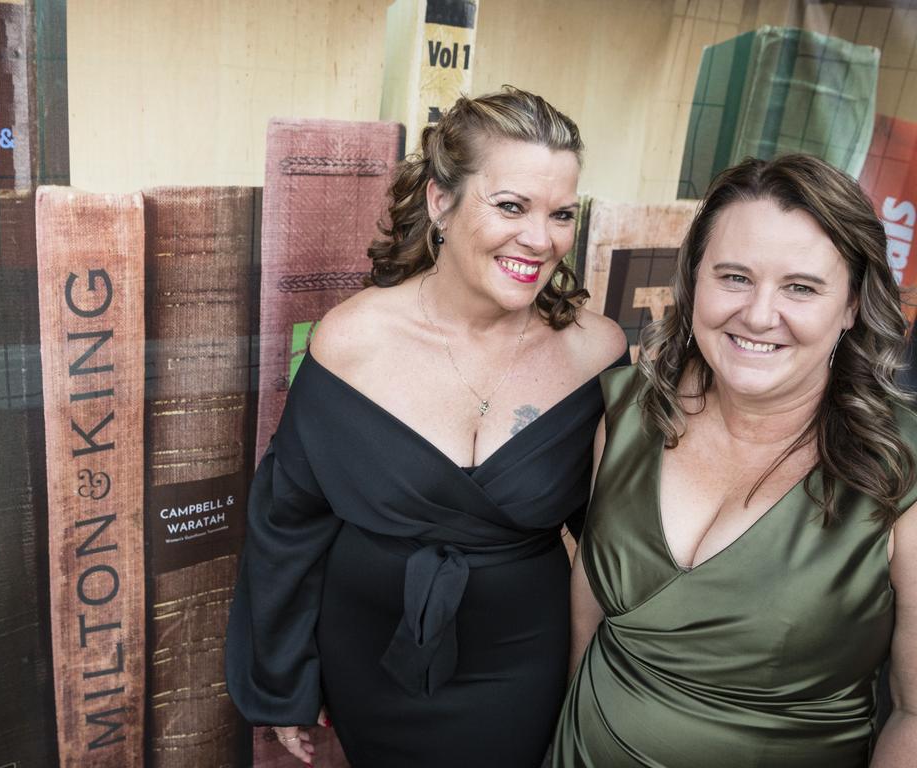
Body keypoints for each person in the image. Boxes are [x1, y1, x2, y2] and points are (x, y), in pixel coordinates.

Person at [225, 87, 627, 767]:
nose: (541, 238)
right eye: (511, 206)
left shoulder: (599, 352)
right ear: (442, 201)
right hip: (369, 664)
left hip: (523, 666)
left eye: (562, 213)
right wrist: (285, 683)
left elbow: (619, 542)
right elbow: (287, 521)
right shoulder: (351, 340)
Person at [553, 153, 917, 767]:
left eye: (800, 287)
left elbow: (913, 716)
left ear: (852, 306)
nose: (757, 314)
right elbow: (590, 604)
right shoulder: (630, 413)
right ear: (694, 280)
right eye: (735, 277)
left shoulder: (901, 472)